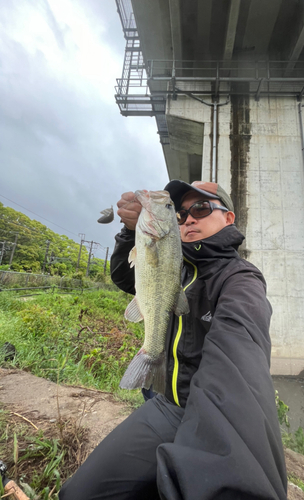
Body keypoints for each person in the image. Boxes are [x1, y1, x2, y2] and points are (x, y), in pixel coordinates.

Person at [59, 180, 287, 500]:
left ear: (228, 218)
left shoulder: (240, 281)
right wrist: (129, 233)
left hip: (205, 416)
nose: (189, 218)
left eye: (201, 208)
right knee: (77, 494)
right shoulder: (177, 266)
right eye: (180, 214)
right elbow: (127, 278)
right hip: (166, 404)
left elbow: (238, 365)